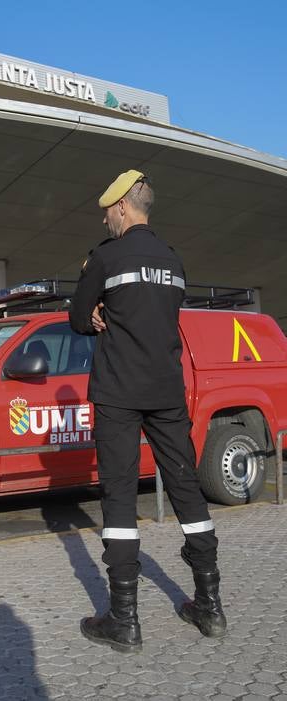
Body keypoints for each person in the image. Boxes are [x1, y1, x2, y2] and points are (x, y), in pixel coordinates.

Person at [69, 169, 226, 654]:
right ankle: (210, 606)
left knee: (119, 495)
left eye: (106, 210)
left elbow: (78, 317)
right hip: (166, 392)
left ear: (121, 208)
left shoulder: (105, 256)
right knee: (185, 486)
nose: (104, 217)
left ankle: (124, 619)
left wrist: (97, 315)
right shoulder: (174, 261)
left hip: (118, 392)